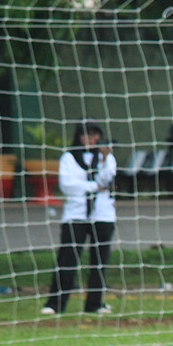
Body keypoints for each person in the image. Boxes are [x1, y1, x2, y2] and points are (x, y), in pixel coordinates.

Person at [41, 120, 117, 315]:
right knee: (67, 259)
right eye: (86, 134)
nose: (91, 138)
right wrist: (93, 187)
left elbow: (107, 179)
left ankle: (95, 304)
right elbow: (68, 185)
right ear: (79, 136)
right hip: (76, 214)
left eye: (94, 134)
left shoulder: (107, 157)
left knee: (99, 260)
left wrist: (104, 159)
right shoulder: (69, 157)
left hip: (102, 214)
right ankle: (55, 304)